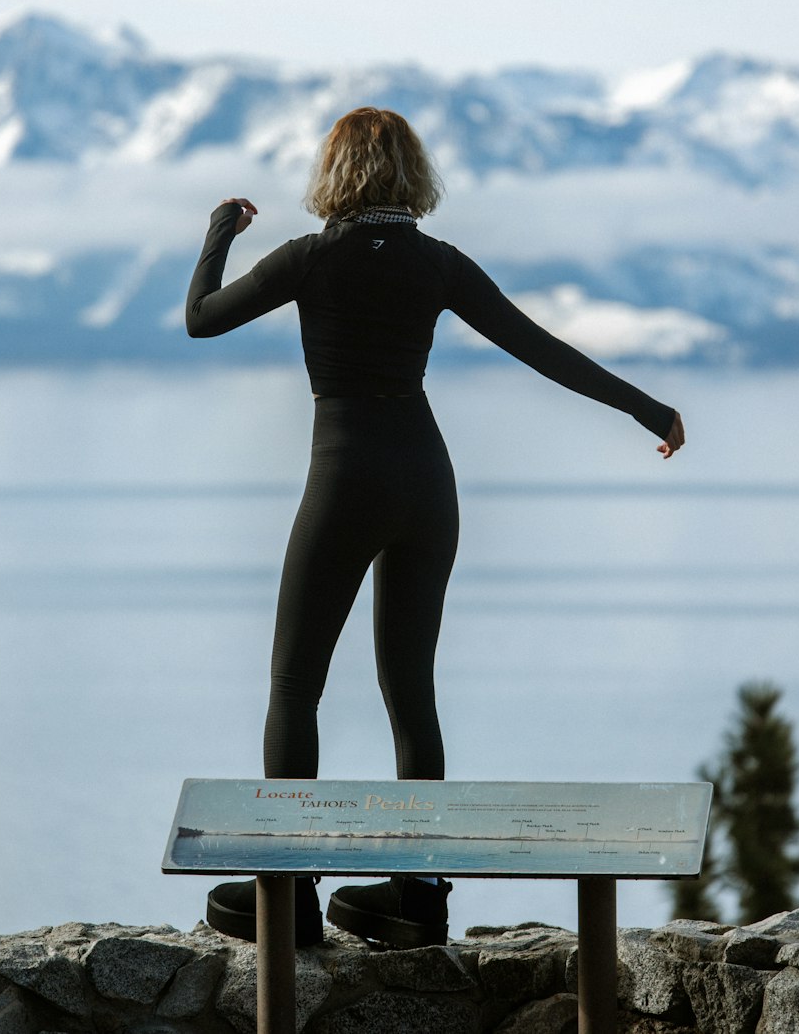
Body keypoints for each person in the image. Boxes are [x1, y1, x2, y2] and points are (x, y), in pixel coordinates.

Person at [185, 107, 684, 949]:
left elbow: (201, 317)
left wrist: (219, 229)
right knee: (410, 690)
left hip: (346, 479)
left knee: (294, 685)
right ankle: (417, 900)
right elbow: (542, 348)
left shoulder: (311, 257)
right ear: (414, 174)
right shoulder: (439, 265)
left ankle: (291, 894)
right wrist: (649, 409)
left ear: (333, 173)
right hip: (427, 482)